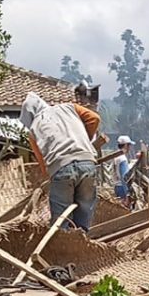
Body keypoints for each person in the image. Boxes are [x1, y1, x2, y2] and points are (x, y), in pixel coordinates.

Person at [19, 93, 102, 232]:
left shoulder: (33, 131)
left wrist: (50, 178)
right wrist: (84, 140)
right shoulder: (70, 107)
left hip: (61, 169)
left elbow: (43, 165)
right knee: (85, 211)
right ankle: (81, 244)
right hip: (88, 164)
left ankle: (62, 246)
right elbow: (94, 118)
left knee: (60, 221)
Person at [113, 135, 133, 203]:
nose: (130, 148)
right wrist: (127, 193)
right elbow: (124, 177)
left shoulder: (116, 156)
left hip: (117, 186)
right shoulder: (122, 158)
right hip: (122, 188)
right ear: (126, 145)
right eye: (129, 145)